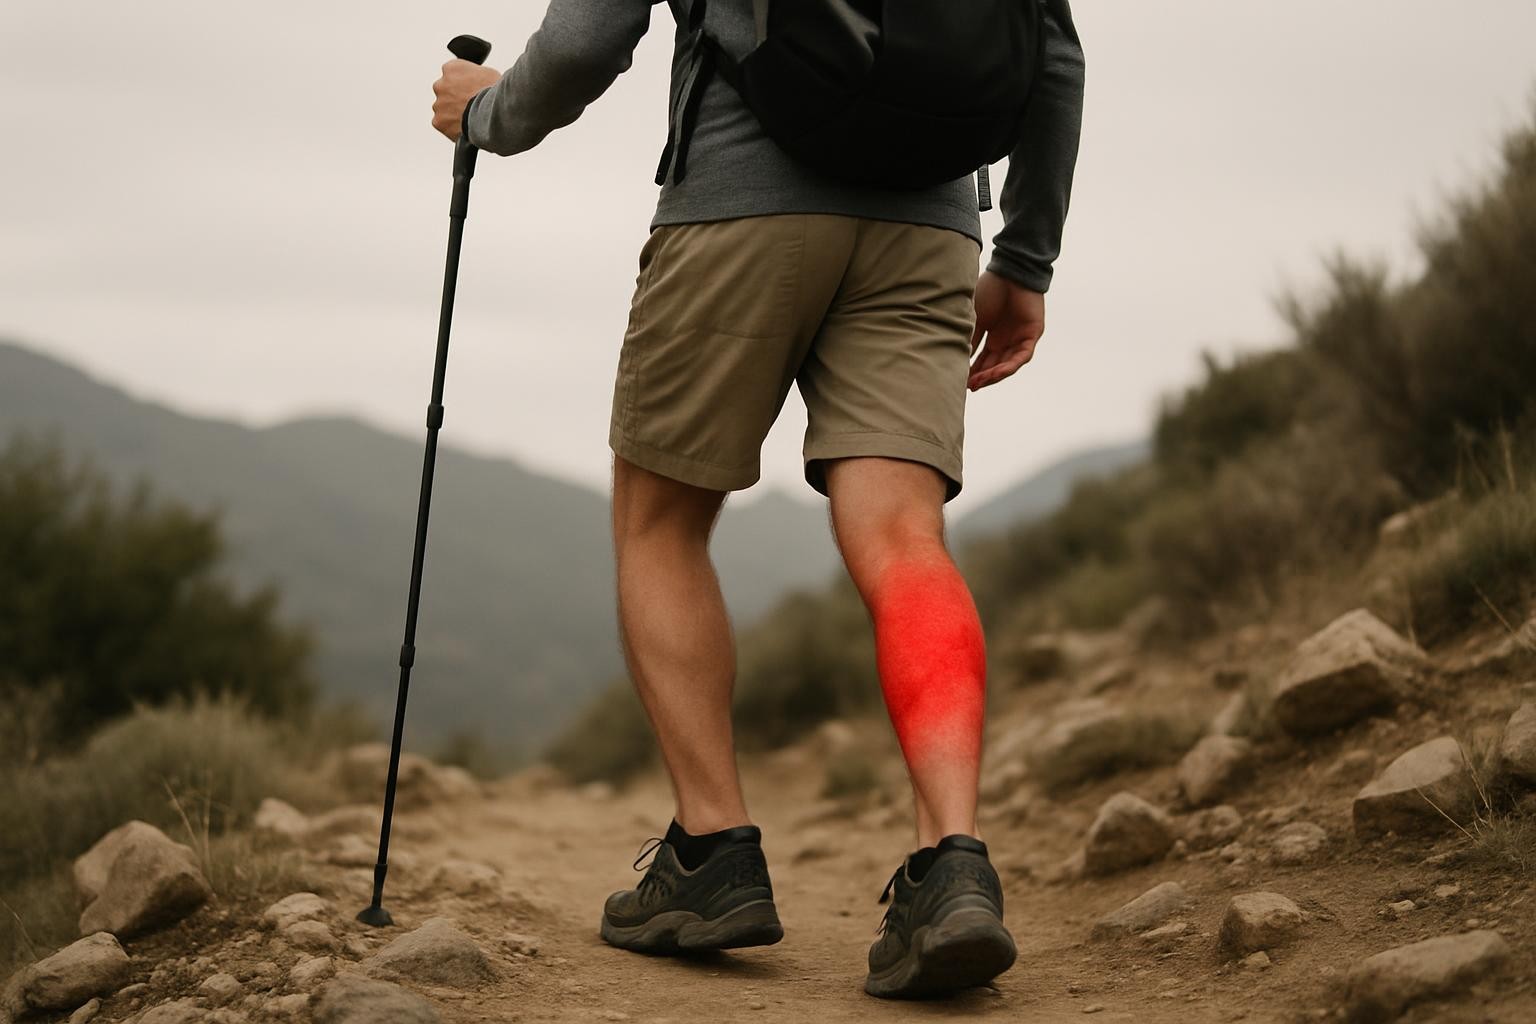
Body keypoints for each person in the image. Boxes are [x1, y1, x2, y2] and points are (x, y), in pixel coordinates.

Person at [432, 0, 1083, 999]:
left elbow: (588, 38)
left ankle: (711, 854)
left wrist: (490, 115)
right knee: (906, 535)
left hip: (737, 205)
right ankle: (953, 863)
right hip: (929, 222)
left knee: (661, 522)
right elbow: (1052, 51)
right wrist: (1026, 257)